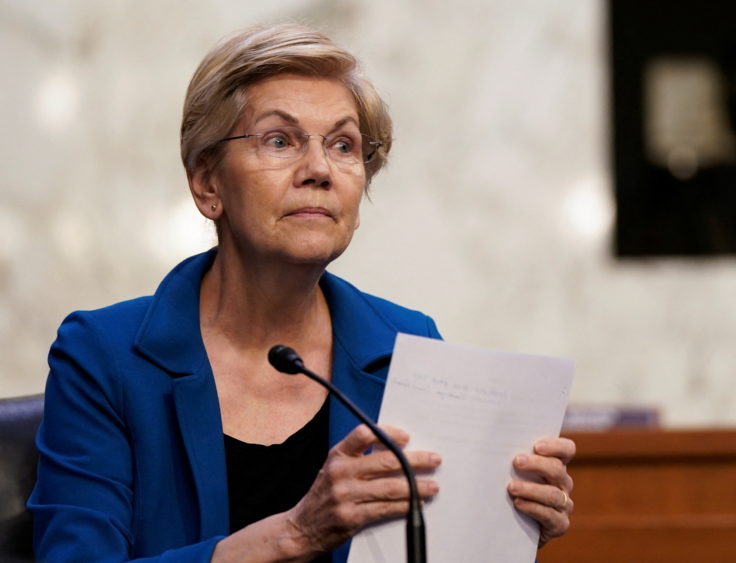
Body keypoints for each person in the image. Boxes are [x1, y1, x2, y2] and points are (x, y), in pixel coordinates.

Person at [29, 23, 575, 562]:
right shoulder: (104, 355)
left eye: (343, 145)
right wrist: (294, 535)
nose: (319, 170)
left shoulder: (409, 347)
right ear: (207, 183)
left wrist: (500, 525)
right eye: (280, 140)